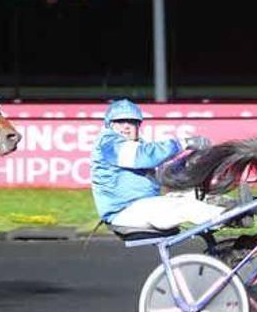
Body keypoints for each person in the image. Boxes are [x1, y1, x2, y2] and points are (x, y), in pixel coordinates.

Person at [90, 99, 224, 231]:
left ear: (138, 126)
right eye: (120, 121)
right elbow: (143, 156)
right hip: (124, 212)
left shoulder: (138, 146)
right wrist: (182, 143)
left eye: (132, 122)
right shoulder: (108, 142)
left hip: (141, 206)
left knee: (195, 197)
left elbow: (163, 172)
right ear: (110, 125)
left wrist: (188, 162)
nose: (126, 126)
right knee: (185, 206)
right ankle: (227, 217)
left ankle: (232, 211)